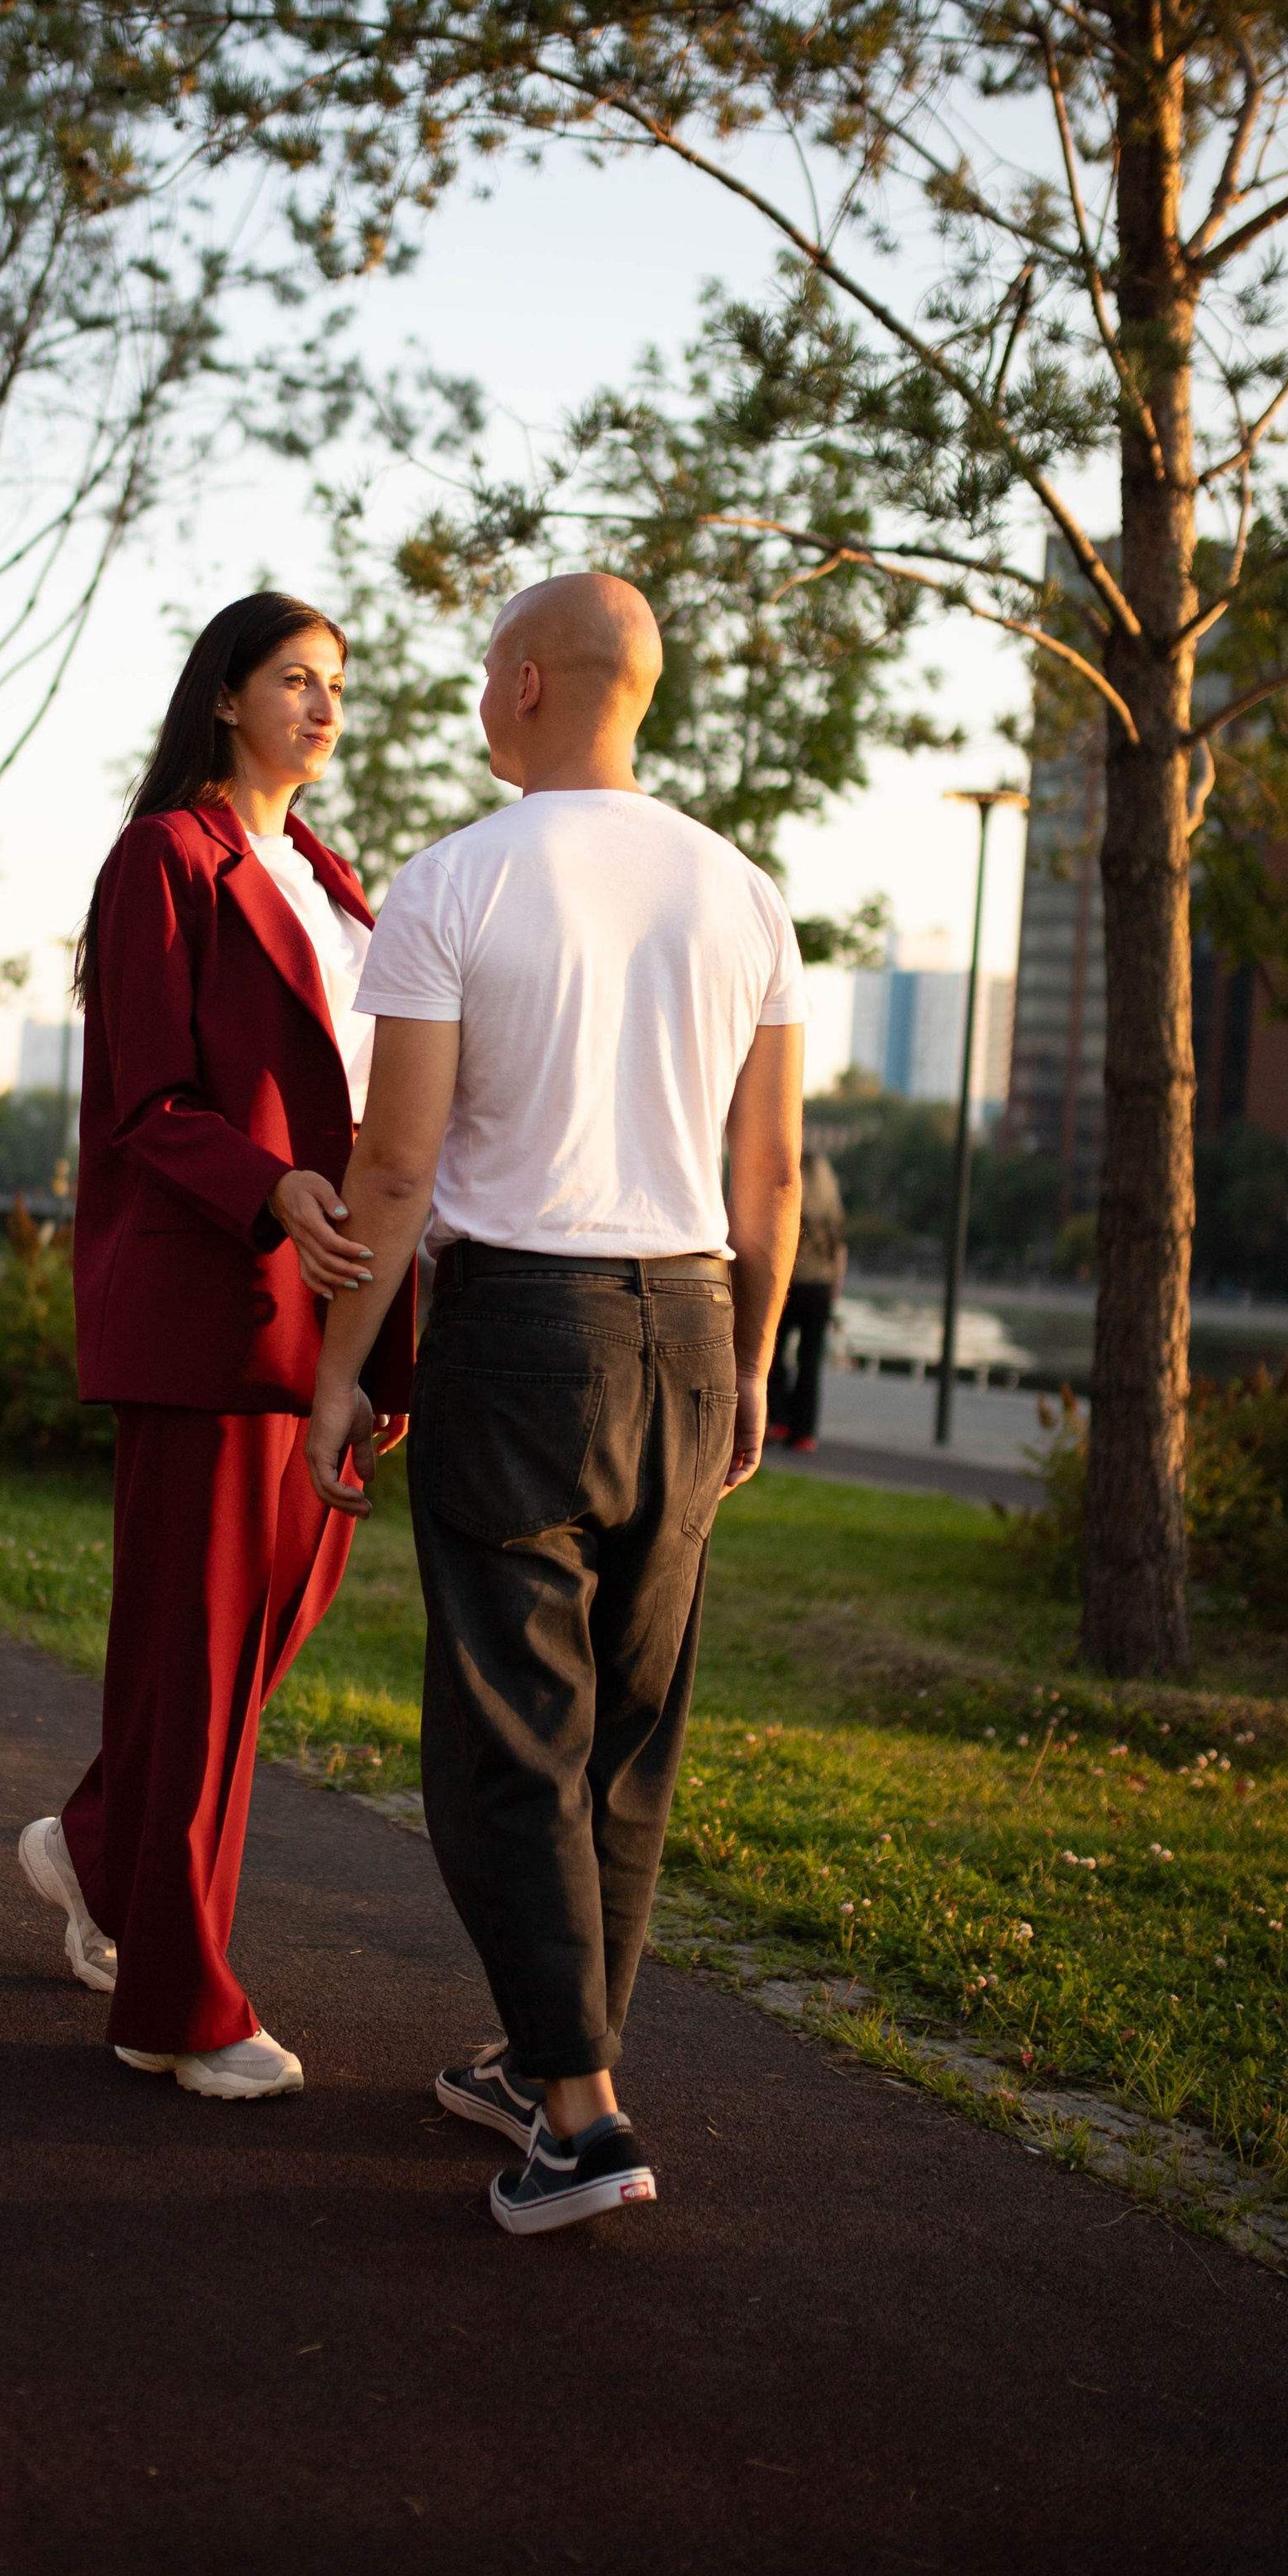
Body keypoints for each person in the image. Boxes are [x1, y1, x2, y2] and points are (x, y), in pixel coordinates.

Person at [305, 573, 803, 2233]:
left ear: (521, 683)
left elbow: (391, 1164)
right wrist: (746, 1363)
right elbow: (773, 1169)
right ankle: (548, 2059)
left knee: (512, 1726)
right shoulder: (740, 892)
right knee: (626, 1729)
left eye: (475, 670)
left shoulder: (451, 882)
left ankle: (578, 2120)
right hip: (685, 1320)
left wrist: (337, 1374)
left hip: (517, 1325)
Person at [18, 592, 415, 2100]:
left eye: (338, 684)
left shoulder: (325, 874)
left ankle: (99, 1846)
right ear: (226, 698)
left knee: (248, 1655)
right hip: (213, 1312)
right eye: (296, 681)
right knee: (197, 1663)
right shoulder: (163, 864)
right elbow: (149, 1101)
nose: (323, 707)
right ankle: (174, 2008)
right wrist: (273, 1188)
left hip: (333, 1322)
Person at [767, 1143, 846, 1450]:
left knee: (773, 1353)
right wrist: (835, 1286)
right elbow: (840, 1251)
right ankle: (805, 1433)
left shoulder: (789, 1207)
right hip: (820, 1289)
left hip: (788, 1284)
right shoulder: (830, 1213)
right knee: (810, 1362)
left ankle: (779, 1417)